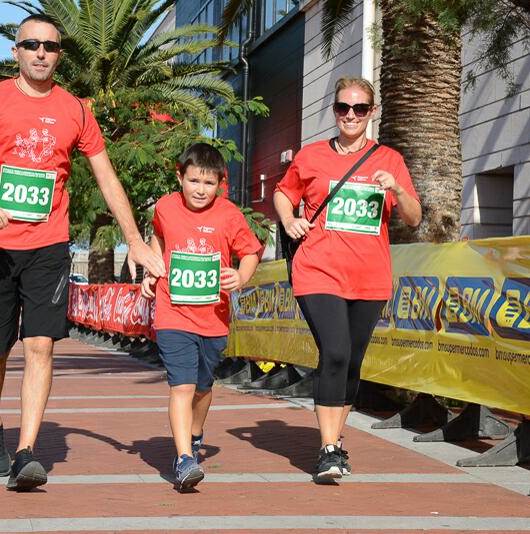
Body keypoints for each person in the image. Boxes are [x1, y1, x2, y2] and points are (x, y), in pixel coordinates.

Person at [0, 13, 165, 492]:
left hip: (49, 244)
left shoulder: (76, 110)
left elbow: (107, 178)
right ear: (16, 51)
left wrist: (135, 240)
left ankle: (26, 452)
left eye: (50, 46)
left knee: (40, 344)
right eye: (32, 45)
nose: (41, 53)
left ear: (60, 55)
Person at [273, 77, 422, 483]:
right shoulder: (312, 156)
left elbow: (413, 216)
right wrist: (290, 221)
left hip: (370, 277)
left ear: (372, 112)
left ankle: (336, 443)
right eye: (343, 108)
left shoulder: (389, 159)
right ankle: (328, 449)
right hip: (317, 270)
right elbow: (284, 194)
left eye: (359, 108)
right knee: (336, 352)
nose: (351, 115)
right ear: (335, 111)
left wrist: (397, 190)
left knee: (352, 361)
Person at [141, 143, 261, 491]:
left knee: (203, 387)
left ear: (220, 184)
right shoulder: (165, 206)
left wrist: (241, 276)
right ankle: (183, 459)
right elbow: (157, 236)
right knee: (182, 385)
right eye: (193, 181)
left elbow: (250, 251)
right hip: (173, 314)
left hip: (214, 318)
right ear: (180, 176)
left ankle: (194, 436)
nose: (200, 190)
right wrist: (152, 269)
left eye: (208, 184)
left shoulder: (229, 215)